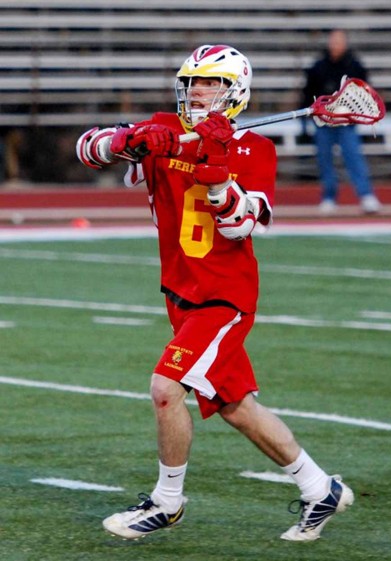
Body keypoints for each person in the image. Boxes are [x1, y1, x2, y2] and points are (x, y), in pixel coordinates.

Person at [76, 44, 354, 542]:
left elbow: (240, 226)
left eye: (212, 83)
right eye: (193, 83)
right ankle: (320, 489)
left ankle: (167, 502)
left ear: (236, 92)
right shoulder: (168, 126)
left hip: (223, 297)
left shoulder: (254, 149)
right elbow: (88, 149)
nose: (199, 92)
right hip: (180, 292)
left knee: (166, 390)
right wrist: (132, 138)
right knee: (235, 406)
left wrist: (216, 166)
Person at [303, 29, 382, 214]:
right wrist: (309, 121)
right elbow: (308, 94)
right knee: (325, 160)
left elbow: (365, 92)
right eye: (333, 40)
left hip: (347, 122)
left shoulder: (354, 66)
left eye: (339, 41)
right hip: (323, 122)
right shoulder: (318, 67)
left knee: (353, 157)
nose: (336, 44)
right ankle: (329, 197)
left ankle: (366, 195)